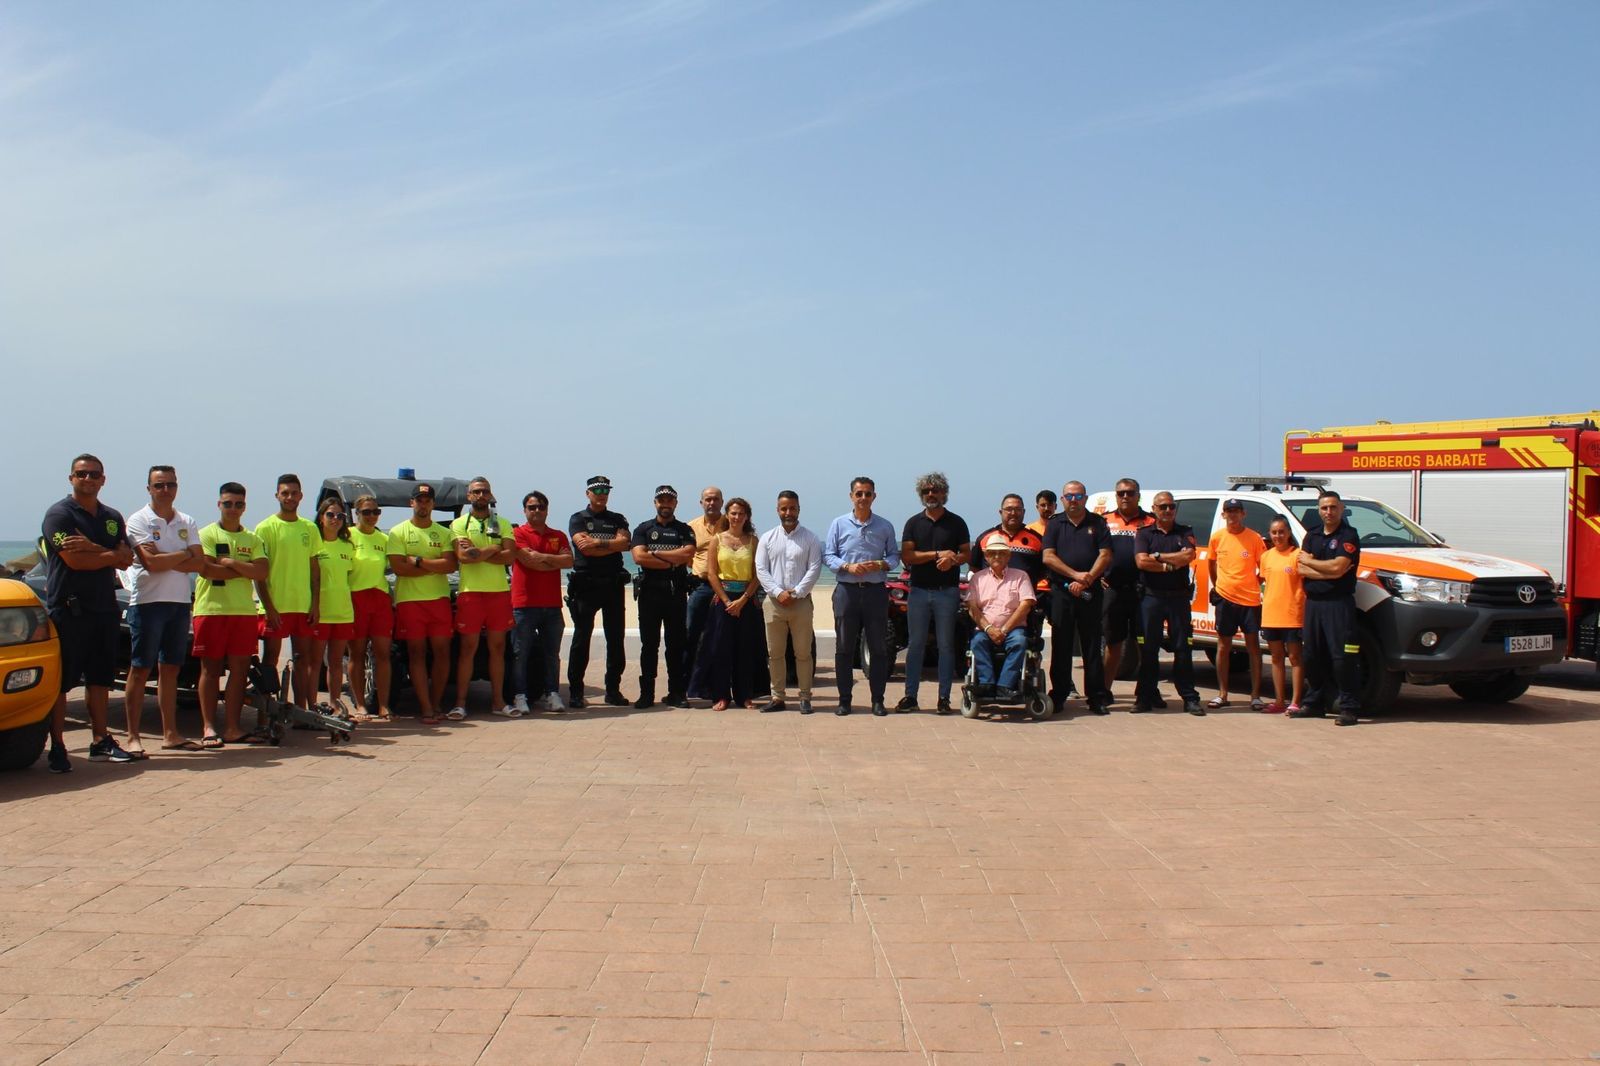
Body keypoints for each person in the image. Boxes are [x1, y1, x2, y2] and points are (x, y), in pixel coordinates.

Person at [40, 454, 136, 771]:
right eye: (82, 474)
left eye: (94, 474)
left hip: (104, 609)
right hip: (69, 610)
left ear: (103, 480)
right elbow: (74, 561)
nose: (88, 479)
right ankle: (57, 746)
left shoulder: (111, 516)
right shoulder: (59, 515)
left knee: (100, 680)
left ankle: (100, 741)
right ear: (71, 478)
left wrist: (94, 548)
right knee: (62, 683)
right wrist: (109, 554)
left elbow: (126, 560)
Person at [124, 465, 205, 755]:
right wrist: (184, 554)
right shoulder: (139, 520)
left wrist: (170, 558)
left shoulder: (187, 520)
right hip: (147, 603)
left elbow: (199, 563)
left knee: (170, 668)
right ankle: (133, 735)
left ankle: (171, 733)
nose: (165, 490)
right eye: (159, 485)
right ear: (149, 488)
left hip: (179, 602)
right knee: (141, 668)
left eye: (170, 484)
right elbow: (151, 564)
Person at [192, 482, 270, 745]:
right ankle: (209, 728)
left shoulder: (252, 539)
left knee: (239, 671)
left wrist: (229, 562)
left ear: (244, 506)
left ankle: (233, 728)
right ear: (219, 504)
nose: (233, 509)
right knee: (210, 671)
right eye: (227, 503)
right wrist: (244, 568)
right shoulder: (206, 534)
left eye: (238, 504)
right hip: (211, 610)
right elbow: (208, 570)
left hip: (244, 612)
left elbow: (261, 572)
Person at [823, 476, 901, 716]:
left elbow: (894, 556)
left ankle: (878, 700)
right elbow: (828, 555)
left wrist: (881, 564)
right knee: (844, 647)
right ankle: (844, 700)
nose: (863, 498)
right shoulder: (838, 524)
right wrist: (847, 567)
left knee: (878, 648)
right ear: (851, 496)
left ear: (874, 497)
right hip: (846, 592)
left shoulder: (885, 526)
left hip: (876, 593)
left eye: (868, 494)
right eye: (859, 494)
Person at [897, 471, 971, 715]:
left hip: (946, 592)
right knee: (915, 644)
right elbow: (907, 557)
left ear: (944, 493)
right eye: (927, 491)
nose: (931, 494)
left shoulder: (957, 522)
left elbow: (966, 555)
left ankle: (944, 699)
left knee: (946, 646)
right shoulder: (913, 523)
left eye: (936, 490)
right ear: (921, 494)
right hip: (918, 592)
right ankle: (910, 696)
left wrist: (953, 561)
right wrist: (939, 554)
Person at [448, 478, 519, 720]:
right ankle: (460, 703)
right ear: (469, 496)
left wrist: (479, 552)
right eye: (476, 491)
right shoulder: (459, 524)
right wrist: (493, 549)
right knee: (468, 649)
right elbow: (463, 557)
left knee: (497, 648)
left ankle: (498, 702)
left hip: (498, 592)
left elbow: (510, 557)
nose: (481, 495)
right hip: (470, 593)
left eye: (485, 491)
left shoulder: (503, 523)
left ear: (490, 495)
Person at [386, 483, 456, 725]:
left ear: (433, 504)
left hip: (438, 600)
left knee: (442, 653)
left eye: (427, 500)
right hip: (410, 601)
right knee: (416, 654)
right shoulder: (397, 532)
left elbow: (449, 566)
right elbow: (398, 569)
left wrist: (416, 560)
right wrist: (431, 567)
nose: (423, 504)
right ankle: (426, 707)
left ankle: (436, 704)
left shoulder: (444, 533)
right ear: (411, 503)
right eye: (419, 499)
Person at [1292, 490, 1362, 727]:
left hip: (1338, 604)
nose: (1328, 512)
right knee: (1312, 656)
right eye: (1324, 508)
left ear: (1341, 509)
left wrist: (1313, 565)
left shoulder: (1348, 535)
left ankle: (1349, 707)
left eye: (1333, 507)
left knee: (1342, 658)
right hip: (1314, 604)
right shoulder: (1312, 536)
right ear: (1319, 510)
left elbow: (1338, 568)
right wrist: (1325, 570)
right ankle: (1314, 703)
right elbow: (1301, 569)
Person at [1041, 481, 1112, 715]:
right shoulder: (1054, 524)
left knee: (1092, 646)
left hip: (1091, 592)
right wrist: (1074, 576)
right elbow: (1048, 557)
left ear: (1085, 498)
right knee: (1061, 645)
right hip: (1062, 592)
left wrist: (1088, 578)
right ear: (1062, 499)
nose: (1074, 500)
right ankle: (1059, 695)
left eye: (1078, 496)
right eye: (1069, 496)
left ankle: (1096, 697)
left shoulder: (1098, 522)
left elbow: (1106, 554)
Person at [689, 498, 763, 711]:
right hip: (723, 601)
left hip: (746, 600)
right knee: (720, 649)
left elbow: (757, 576)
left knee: (745, 649)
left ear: (747, 516)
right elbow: (711, 574)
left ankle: (745, 696)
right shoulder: (717, 540)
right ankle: (721, 695)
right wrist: (727, 600)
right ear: (727, 514)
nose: (737, 517)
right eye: (733, 513)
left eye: (741, 513)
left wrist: (743, 600)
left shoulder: (753, 541)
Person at [1132, 491, 1203, 715]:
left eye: (1171, 507)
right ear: (1154, 509)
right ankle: (1144, 698)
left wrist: (1158, 556)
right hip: (1151, 598)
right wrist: (1170, 561)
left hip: (1178, 598)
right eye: (1163, 507)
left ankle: (1190, 698)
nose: (1168, 511)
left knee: (1183, 649)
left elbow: (1189, 556)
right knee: (1149, 650)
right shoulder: (1144, 533)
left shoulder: (1185, 532)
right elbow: (1141, 562)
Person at [254, 474, 318, 711]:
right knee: (270, 660)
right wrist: (269, 607)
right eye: (285, 493)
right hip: (275, 607)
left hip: (302, 606)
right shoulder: (265, 527)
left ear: (301, 496)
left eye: (294, 493)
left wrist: (315, 604)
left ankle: (301, 710)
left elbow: (314, 570)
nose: (290, 497)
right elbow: (259, 573)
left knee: (304, 659)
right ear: (277, 496)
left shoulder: (309, 528)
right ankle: (266, 712)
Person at [755, 491, 822, 714]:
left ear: (799, 509)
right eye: (784, 508)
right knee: (775, 653)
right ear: (777, 510)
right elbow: (761, 569)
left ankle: (805, 697)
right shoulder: (767, 538)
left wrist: (797, 592)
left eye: (792, 508)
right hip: (774, 604)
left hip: (800, 603)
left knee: (803, 653)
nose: (788, 512)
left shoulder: (810, 538)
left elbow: (814, 568)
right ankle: (777, 697)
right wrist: (777, 592)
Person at [567, 475, 631, 708]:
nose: (602, 494)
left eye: (605, 489)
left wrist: (597, 543)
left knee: (616, 640)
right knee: (581, 639)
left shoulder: (617, 518)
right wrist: (608, 545)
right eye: (597, 490)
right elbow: (584, 549)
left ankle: (612, 691)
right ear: (588, 494)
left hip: (613, 585)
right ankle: (576, 692)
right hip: (586, 585)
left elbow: (625, 544)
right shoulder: (578, 518)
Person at [630, 486, 696, 709]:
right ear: (655, 503)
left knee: (675, 645)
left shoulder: (684, 530)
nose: (665, 504)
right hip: (650, 592)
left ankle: (676, 693)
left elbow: (687, 555)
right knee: (649, 645)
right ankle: (646, 694)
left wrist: (655, 554)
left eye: (669, 500)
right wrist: (671, 559)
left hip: (676, 592)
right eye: (661, 500)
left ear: (675, 503)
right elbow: (638, 557)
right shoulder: (643, 529)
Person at [511, 491, 572, 713]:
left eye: (540, 507)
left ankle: (552, 693)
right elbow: (528, 561)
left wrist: (542, 557)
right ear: (525, 510)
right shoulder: (517, 534)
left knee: (551, 653)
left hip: (552, 605)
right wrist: (550, 560)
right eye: (532, 507)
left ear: (547, 510)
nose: (536, 511)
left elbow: (568, 561)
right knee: (521, 653)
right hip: (524, 604)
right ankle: (519, 695)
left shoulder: (558, 535)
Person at [1207, 498, 1268, 710]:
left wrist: (1253, 583)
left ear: (1243, 514)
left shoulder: (1254, 538)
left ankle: (1255, 696)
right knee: (1223, 647)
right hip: (1225, 599)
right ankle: (1222, 694)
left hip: (1250, 600)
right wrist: (1220, 587)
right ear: (1223, 515)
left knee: (1253, 647)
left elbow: (1264, 566)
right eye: (1229, 511)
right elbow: (1212, 565)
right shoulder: (1217, 538)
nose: (1232, 515)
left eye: (1236, 511)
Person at [1100, 478, 1154, 704]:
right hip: (1114, 592)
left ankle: (1147, 692)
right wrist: (1097, 575)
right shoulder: (1104, 521)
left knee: (1146, 645)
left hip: (1144, 592)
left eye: (1130, 493)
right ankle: (1103, 692)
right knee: (1113, 645)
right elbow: (1091, 551)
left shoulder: (1151, 521)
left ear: (1138, 495)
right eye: (1121, 493)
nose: (1125, 497)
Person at [966, 533, 1036, 697]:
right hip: (985, 628)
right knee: (977, 642)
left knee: (1019, 641)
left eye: (1001, 552)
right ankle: (987, 683)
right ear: (986, 556)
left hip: (1013, 629)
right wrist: (989, 628)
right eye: (992, 553)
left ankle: (1005, 685)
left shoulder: (1021, 576)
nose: (997, 556)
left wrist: (1004, 630)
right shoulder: (977, 578)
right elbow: (972, 608)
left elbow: (1025, 605)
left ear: (1008, 556)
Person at [347, 495, 394, 722]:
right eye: (366, 512)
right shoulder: (347, 536)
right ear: (357, 513)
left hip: (380, 598)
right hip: (355, 598)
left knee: (383, 654)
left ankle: (384, 705)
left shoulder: (384, 539)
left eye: (376, 512)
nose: (372, 516)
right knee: (357, 653)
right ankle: (359, 704)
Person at [306, 496, 356, 712]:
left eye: (340, 516)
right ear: (321, 517)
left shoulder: (348, 545)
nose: (335, 519)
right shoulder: (314, 545)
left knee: (336, 662)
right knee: (315, 662)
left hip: (343, 611)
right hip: (320, 611)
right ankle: (311, 705)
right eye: (330, 515)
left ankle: (335, 703)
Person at [1260, 516, 1305, 714]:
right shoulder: (1266, 556)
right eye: (1274, 532)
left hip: (1292, 614)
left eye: (1281, 532)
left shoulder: (1297, 555)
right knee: (1276, 658)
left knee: (1295, 658)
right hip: (1271, 614)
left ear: (1288, 533)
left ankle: (1295, 701)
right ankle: (1279, 700)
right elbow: (1265, 582)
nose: (1278, 536)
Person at [684, 486, 728, 678]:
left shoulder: (731, 523)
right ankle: (684, 682)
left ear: (722, 502)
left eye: (716, 499)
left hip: (727, 587)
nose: (712, 503)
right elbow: (687, 556)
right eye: (708, 499)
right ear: (701, 502)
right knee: (690, 632)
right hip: (701, 586)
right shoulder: (691, 527)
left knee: (722, 635)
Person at [971, 495, 1046, 588]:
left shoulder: (1037, 539)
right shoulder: (985, 538)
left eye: (1018, 509)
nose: (1013, 513)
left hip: (1025, 597)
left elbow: (1044, 570)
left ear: (1024, 512)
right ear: (1000, 512)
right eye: (1009, 509)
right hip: (990, 597)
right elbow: (974, 567)